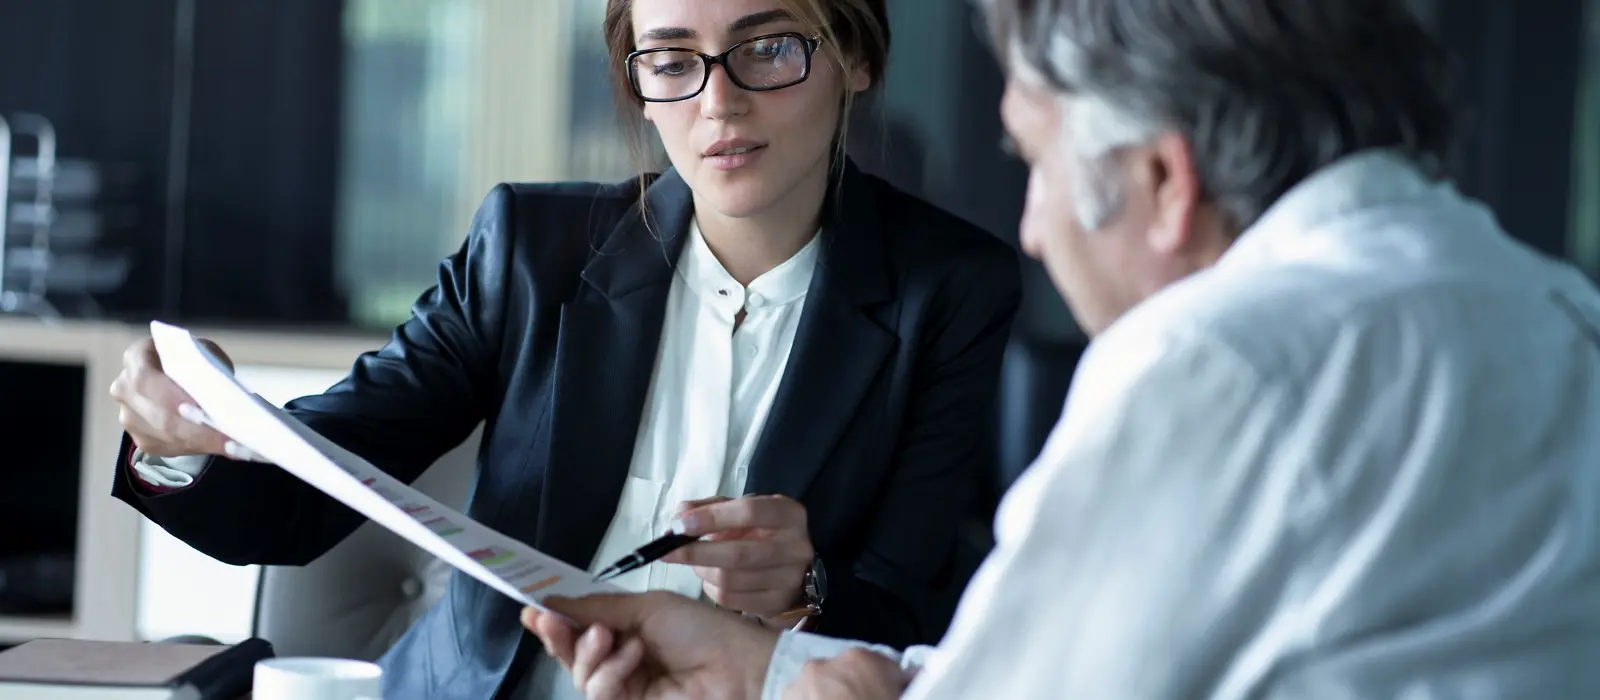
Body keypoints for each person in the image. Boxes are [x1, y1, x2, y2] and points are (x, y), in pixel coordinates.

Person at [520, 0, 1600, 698]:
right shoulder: (1548, 307)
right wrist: (766, 671)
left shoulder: (1217, 359)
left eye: (1036, 162)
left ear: (1163, 185)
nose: (1031, 229)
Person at [106, 1, 1021, 698]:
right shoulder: (530, 249)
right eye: (672, 61)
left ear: (854, 57)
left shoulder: (950, 290)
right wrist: (181, 440)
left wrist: (805, 590)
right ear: (639, 84)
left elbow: (919, 622)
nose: (720, 101)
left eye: (769, 48)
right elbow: (295, 503)